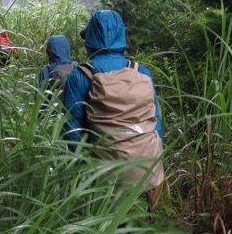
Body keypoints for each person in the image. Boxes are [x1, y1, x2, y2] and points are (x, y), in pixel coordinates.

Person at [63, 10, 164, 191]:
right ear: (121, 35)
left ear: (90, 38)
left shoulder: (81, 76)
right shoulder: (142, 72)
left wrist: (81, 178)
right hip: (147, 169)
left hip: (105, 177)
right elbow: (156, 123)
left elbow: (73, 131)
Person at [37, 35, 77, 110]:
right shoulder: (76, 67)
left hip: (52, 116)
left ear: (49, 51)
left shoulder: (46, 70)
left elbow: (38, 99)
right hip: (74, 115)